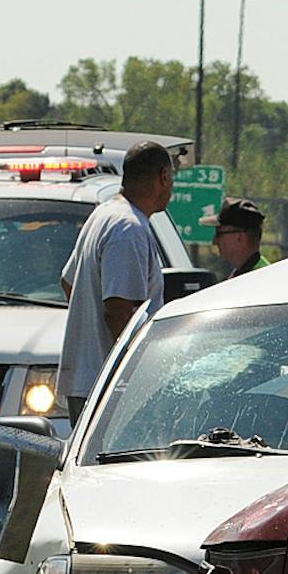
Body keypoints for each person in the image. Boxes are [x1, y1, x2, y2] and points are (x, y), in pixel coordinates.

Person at [56, 140, 175, 417]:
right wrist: (134, 378)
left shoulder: (105, 214)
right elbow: (119, 311)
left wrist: (89, 333)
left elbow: (68, 283)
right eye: (172, 180)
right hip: (112, 389)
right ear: (163, 177)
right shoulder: (128, 228)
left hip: (88, 381)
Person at [210, 198, 272, 279]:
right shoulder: (246, 274)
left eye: (219, 234)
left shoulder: (261, 278)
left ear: (239, 237)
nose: (214, 241)